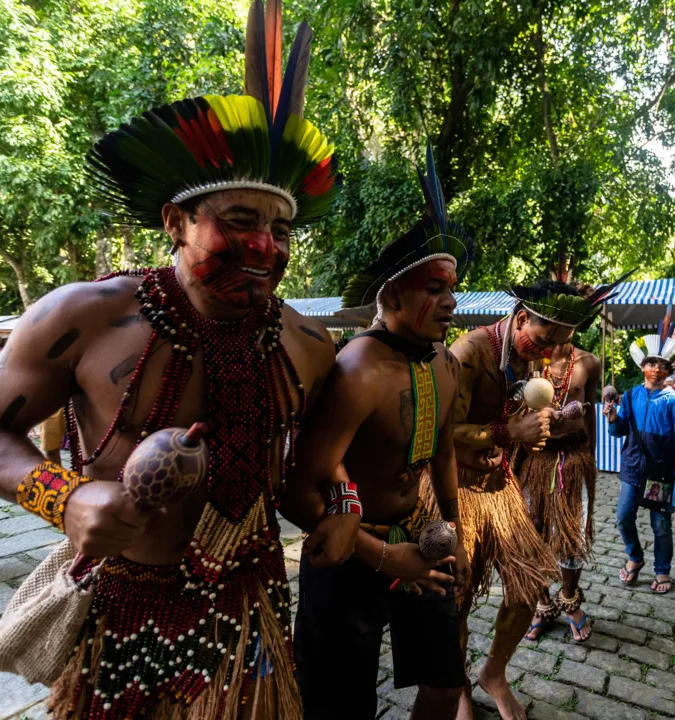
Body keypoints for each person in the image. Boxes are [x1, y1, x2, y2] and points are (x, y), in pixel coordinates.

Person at [0, 2, 351, 717]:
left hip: (246, 603)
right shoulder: (87, 316)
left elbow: (317, 463)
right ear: (174, 222)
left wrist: (341, 510)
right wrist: (62, 498)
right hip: (120, 604)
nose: (266, 248)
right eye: (239, 221)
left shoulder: (307, 346)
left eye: (280, 227)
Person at [291, 144, 472, 720]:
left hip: (422, 535)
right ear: (393, 294)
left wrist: (457, 529)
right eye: (434, 289)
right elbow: (302, 487)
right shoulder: (354, 371)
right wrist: (379, 556)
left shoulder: (444, 362)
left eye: (451, 288)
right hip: (349, 554)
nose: (450, 301)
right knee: (340, 707)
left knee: (445, 686)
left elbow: (443, 451)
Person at [444, 280, 617, 720]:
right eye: (543, 340)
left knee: (528, 586)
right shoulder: (469, 352)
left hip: (501, 488)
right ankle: (458, 686)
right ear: (522, 318)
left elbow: (517, 417)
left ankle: (494, 674)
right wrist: (509, 432)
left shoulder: (526, 359)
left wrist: (545, 426)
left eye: (558, 344)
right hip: (456, 489)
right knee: (456, 597)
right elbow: (442, 434)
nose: (547, 353)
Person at [516, 285, 601, 643]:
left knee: (572, 534)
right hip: (536, 459)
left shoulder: (589, 363)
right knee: (532, 532)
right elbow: (513, 413)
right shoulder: (527, 363)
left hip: (574, 458)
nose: (557, 332)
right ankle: (541, 603)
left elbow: (590, 411)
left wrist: (592, 458)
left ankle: (569, 599)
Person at [606, 311, 675, 595]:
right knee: (622, 517)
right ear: (642, 365)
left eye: (663, 365)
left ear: (670, 370)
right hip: (632, 468)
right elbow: (620, 432)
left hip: (661, 473)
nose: (656, 369)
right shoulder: (630, 396)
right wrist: (613, 418)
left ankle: (663, 571)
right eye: (651, 363)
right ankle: (635, 556)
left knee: (661, 526)